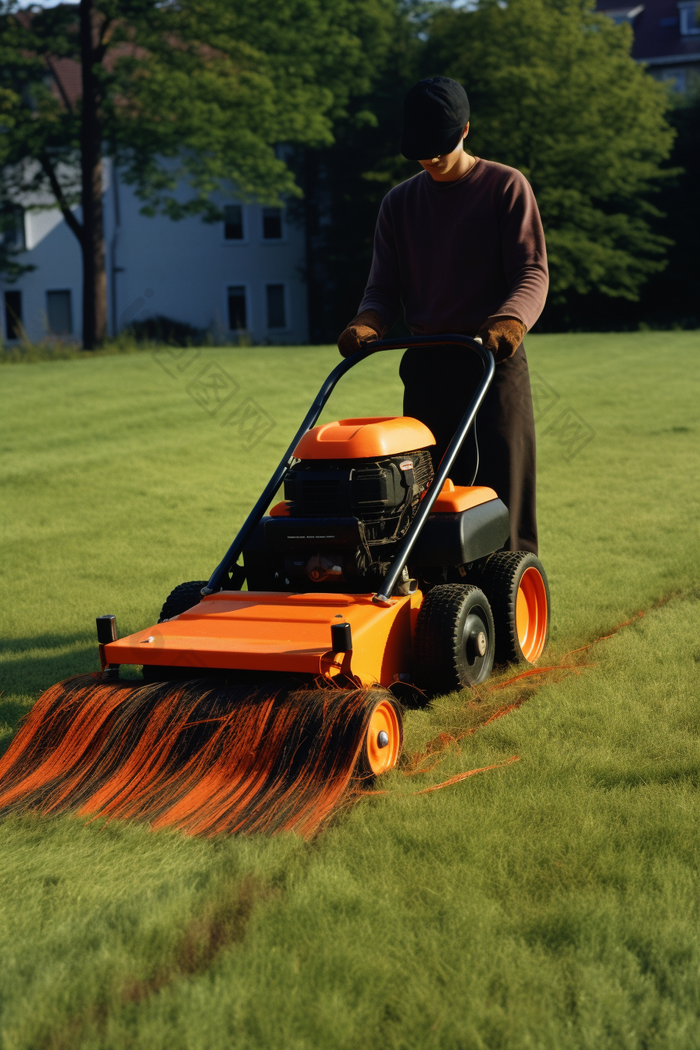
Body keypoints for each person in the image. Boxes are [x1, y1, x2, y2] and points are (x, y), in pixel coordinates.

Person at [337, 76, 548, 555]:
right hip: (428, 363)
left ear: (466, 130)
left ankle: (515, 596)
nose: (430, 159)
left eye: (440, 149)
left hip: (493, 360)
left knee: (503, 487)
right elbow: (383, 289)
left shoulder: (505, 187)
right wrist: (367, 322)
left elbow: (531, 272)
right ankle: (443, 601)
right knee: (427, 493)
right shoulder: (399, 203)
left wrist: (510, 320)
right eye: (421, 151)